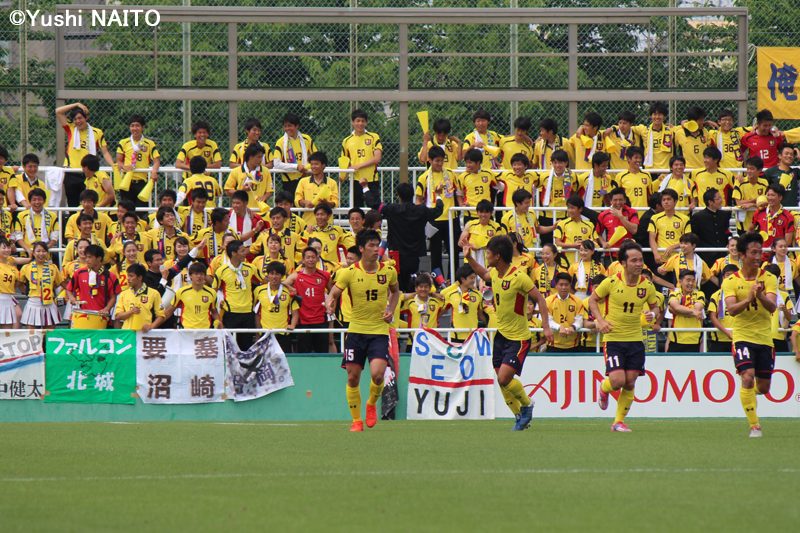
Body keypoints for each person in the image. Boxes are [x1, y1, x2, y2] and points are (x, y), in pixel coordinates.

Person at [464, 235, 553, 431]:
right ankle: (519, 416)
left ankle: (527, 405)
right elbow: (483, 274)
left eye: (488, 253)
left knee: (504, 378)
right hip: (501, 336)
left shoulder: (519, 277)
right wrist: (469, 257)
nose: (486, 256)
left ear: (498, 256)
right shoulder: (495, 273)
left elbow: (540, 299)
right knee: (501, 380)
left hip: (519, 338)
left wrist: (546, 327)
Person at [322, 229, 399, 431]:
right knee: (352, 377)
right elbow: (334, 292)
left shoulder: (388, 271)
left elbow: (395, 291)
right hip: (356, 331)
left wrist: (390, 309)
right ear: (362, 249)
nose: (376, 249)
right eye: (371, 246)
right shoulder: (349, 272)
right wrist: (330, 302)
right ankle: (356, 421)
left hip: (379, 331)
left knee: (378, 375)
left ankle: (371, 404)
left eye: (377, 245)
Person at [589, 240, 660, 432]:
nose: (639, 264)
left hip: (636, 339)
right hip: (614, 339)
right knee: (617, 381)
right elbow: (592, 300)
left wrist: (652, 314)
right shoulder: (611, 282)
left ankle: (618, 422)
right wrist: (600, 321)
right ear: (623, 263)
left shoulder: (647, 286)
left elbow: (655, 307)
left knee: (630, 382)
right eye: (634, 260)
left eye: (641, 260)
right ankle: (604, 388)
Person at [722, 232, 778, 438]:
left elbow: (772, 307)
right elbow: (731, 310)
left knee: (763, 387)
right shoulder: (730, 281)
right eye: (753, 252)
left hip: (764, 338)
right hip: (742, 337)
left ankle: (747, 396)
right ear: (742, 255)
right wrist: (748, 298)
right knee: (747, 376)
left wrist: (760, 294)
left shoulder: (769, 278)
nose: (758, 256)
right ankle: (755, 426)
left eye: (760, 252)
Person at [370, 182, 443, 292]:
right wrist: (438, 195)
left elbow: (374, 204)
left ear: (398, 195)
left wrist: (365, 187)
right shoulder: (421, 210)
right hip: (414, 254)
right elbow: (438, 210)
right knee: (411, 283)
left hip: (396, 254)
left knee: (397, 284)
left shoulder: (392, 209)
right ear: (413, 194)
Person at [56, 102, 115, 206]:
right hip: (72, 173)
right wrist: (76, 104)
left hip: (88, 173)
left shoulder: (97, 132)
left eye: (80, 118)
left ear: (86, 118)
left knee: (89, 203)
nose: (78, 121)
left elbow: (105, 152)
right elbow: (58, 111)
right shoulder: (71, 128)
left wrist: (113, 165)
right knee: (73, 205)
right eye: (75, 119)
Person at [415, 145, 459, 273]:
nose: (440, 163)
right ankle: (438, 281)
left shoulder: (450, 174)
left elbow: (458, 192)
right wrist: (421, 216)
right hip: (434, 220)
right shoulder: (424, 177)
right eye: (437, 161)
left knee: (454, 251)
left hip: (451, 218)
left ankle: (453, 279)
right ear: (430, 160)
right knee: (435, 253)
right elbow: (419, 199)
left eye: (442, 160)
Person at [283, 247, 332, 353]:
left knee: (322, 354)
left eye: (313, 257)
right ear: (303, 260)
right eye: (308, 257)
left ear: (317, 258)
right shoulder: (296, 276)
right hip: (303, 320)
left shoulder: (325, 275)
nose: (311, 260)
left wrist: (330, 306)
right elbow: (283, 284)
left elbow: (333, 293)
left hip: (320, 320)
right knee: (304, 354)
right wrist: (291, 288)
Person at [214, 240, 260, 350]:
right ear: (234, 253)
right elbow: (213, 292)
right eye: (242, 251)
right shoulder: (221, 271)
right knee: (230, 348)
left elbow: (265, 281)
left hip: (248, 313)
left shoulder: (251, 268)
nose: (245, 253)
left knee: (247, 348)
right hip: (231, 314)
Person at [66, 244, 120, 329]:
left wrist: (106, 309)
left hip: (101, 317)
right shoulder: (79, 273)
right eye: (86, 257)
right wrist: (72, 298)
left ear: (99, 258)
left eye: (90, 257)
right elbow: (69, 289)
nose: (87, 260)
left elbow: (113, 297)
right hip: (82, 316)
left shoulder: (110, 276)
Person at [116, 115, 161, 207]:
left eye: (137, 126)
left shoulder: (149, 143)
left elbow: (156, 161)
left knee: (141, 210)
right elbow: (118, 161)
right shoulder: (124, 142)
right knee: (126, 210)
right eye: (132, 126)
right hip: (127, 181)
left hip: (141, 182)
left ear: (143, 127)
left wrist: (154, 171)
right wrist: (124, 167)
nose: (135, 128)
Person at [254, 261, 299, 354]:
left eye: (277, 274)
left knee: (284, 360)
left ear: (282, 276)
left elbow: (295, 313)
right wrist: (258, 332)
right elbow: (257, 313)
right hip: (265, 333)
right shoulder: (259, 290)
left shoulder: (288, 292)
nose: (274, 277)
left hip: (283, 333)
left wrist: (293, 325)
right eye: (272, 273)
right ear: (268, 275)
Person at [341, 109, 383, 208]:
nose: (360, 123)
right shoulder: (347, 141)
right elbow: (344, 162)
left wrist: (358, 166)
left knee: (375, 209)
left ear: (366, 122)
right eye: (358, 121)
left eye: (363, 121)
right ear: (352, 122)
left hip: (371, 179)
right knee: (356, 210)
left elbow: (377, 158)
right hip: (355, 180)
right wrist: (342, 176)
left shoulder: (373, 137)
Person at [272, 113, 318, 199]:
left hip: (306, 179)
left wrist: (305, 168)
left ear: (297, 126)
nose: (287, 128)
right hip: (289, 182)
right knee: (292, 205)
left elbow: (317, 159)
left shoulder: (306, 139)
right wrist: (296, 167)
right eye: (285, 126)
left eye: (290, 126)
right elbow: (276, 164)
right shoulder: (280, 142)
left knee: (307, 204)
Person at [164, 262, 221, 329]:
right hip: (187, 331)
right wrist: (154, 325)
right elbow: (169, 312)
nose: (199, 276)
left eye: (201, 274)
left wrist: (219, 323)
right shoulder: (182, 292)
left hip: (205, 331)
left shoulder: (212, 293)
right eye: (196, 274)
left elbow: (214, 311)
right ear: (190, 276)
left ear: (205, 276)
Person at [19, 241, 63, 329]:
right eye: (38, 251)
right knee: (31, 332)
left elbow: (59, 283)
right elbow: (20, 283)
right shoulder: (26, 267)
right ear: (33, 253)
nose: (41, 254)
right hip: (33, 302)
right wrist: (26, 292)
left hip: (49, 303)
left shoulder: (53, 267)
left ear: (47, 253)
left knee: (49, 332)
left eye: (44, 251)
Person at [440, 264, 486, 343]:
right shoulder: (451, 295)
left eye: (474, 278)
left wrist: (488, 325)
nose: (473, 281)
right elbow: (440, 312)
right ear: (462, 279)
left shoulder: (478, 295)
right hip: (455, 336)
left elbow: (480, 315)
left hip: (473, 337)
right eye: (471, 278)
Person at [114, 263, 166, 332]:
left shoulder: (154, 293)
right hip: (128, 334)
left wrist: (151, 326)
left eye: (131, 276)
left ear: (140, 278)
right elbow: (118, 316)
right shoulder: (124, 294)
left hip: (144, 334)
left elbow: (161, 315)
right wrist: (131, 312)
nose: (128, 279)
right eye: (128, 276)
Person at [458, 200, 506, 270]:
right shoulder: (470, 224)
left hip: (489, 263)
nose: (483, 215)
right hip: (471, 260)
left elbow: (498, 245)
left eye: (486, 212)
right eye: (481, 212)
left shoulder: (496, 227)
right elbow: (460, 243)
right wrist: (468, 246)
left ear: (491, 213)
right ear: (477, 212)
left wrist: (479, 248)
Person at [666, 269, 705, 352]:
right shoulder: (674, 293)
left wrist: (678, 311)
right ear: (680, 281)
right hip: (676, 338)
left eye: (693, 281)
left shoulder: (700, 294)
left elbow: (698, 309)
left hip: (694, 339)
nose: (691, 283)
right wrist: (693, 312)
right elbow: (675, 306)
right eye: (688, 280)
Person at [294, 151, 339, 226]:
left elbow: (335, 202)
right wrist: (305, 202)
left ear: (323, 166)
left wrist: (326, 203)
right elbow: (297, 199)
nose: (313, 167)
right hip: (308, 223)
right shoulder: (303, 181)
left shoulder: (332, 182)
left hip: (327, 224)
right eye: (312, 164)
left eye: (316, 164)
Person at [535, 149, 572, 236]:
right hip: (547, 215)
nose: (557, 165)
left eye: (560, 162)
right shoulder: (544, 176)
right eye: (555, 163)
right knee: (546, 242)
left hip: (565, 214)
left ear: (566, 163)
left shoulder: (572, 176)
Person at [690, 188, 731, 266]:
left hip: (722, 254)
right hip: (705, 255)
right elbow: (695, 236)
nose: (721, 200)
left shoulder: (725, 215)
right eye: (718, 199)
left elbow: (727, 232)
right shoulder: (698, 217)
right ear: (710, 202)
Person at [648, 189, 691, 264]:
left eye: (669, 199)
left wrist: (673, 247)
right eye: (663, 200)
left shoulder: (684, 219)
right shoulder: (655, 218)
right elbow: (652, 239)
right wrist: (656, 254)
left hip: (679, 258)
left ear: (675, 201)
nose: (666, 202)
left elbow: (687, 239)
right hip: (662, 258)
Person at [12, 188, 59, 256]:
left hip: (45, 254)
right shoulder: (21, 215)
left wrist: (44, 249)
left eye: (39, 199)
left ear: (44, 201)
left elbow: (55, 236)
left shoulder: (52, 216)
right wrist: (28, 249)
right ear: (30, 201)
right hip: (26, 254)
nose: (37, 202)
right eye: (34, 200)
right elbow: (18, 236)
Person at [224, 143, 273, 209]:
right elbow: (227, 191)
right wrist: (241, 190)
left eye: (261, 157)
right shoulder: (236, 171)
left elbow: (270, 190)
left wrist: (264, 197)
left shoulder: (266, 171)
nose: (261, 160)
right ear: (250, 157)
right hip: (242, 210)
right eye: (258, 157)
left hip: (259, 210)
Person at [553, 195, 598, 266]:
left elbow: (595, 243)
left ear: (580, 209)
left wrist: (584, 244)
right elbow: (557, 243)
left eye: (572, 208)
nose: (570, 210)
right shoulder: (562, 224)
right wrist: (573, 245)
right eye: (568, 208)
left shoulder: (590, 225)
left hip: (585, 263)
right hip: (566, 262)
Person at [545, 272, 584, 352]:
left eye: (566, 285)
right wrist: (559, 327)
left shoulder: (578, 301)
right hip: (553, 345)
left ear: (570, 285)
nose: (564, 287)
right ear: (556, 285)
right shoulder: (548, 301)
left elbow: (579, 320)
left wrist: (573, 327)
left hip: (574, 345)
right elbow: (547, 320)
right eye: (561, 284)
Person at [631, 102, 674, 171]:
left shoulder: (671, 131)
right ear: (651, 116)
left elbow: (683, 128)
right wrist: (614, 128)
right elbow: (626, 127)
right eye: (655, 114)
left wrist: (684, 123)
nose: (657, 117)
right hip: (649, 170)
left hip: (666, 170)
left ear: (664, 116)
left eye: (660, 114)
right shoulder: (644, 130)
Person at [456, 148, 498, 220]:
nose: (468, 165)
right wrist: (461, 205)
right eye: (466, 163)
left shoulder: (488, 173)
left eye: (470, 163)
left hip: (486, 213)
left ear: (478, 162)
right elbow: (459, 194)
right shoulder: (462, 176)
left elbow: (500, 186)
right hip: (470, 213)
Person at [301, 202, 347, 267]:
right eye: (317, 214)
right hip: (315, 268)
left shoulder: (337, 230)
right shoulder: (309, 231)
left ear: (329, 216)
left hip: (333, 268)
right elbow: (300, 249)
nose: (319, 217)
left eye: (322, 214)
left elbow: (350, 243)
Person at [732, 156, 770, 234]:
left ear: (759, 170)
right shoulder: (739, 182)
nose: (749, 171)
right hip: (743, 225)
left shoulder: (764, 183)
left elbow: (766, 204)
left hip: (760, 224)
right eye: (748, 168)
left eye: (752, 169)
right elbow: (738, 202)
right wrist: (756, 200)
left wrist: (752, 205)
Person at [751, 184, 795, 248]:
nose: (769, 198)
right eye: (768, 195)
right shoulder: (759, 212)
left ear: (780, 197)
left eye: (773, 195)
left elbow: (788, 242)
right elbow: (750, 230)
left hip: (778, 252)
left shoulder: (788, 216)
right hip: (761, 252)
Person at [707, 264, 739, 353]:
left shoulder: (742, 295)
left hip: (739, 338)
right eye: (728, 275)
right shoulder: (716, 295)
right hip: (719, 340)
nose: (730, 278)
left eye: (733, 275)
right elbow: (713, 317)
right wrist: (727, 332)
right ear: (723, 277)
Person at [596, 187, 639, 252]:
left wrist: (621, 217)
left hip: (628, 252)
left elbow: (634, 230)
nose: (618, 202)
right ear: (611, 201)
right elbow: (597, 233)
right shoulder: (603, 215)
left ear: (625, 200)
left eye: (620, 200)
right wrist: (603, 243)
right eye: (615, 200)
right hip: (610, 252)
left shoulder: (632, 212)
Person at [762, 263, 793, 354]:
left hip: (778, 337)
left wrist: (784, 310)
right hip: (762, 337)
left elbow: (789, 318)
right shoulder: (758, 295)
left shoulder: (784, 295)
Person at [673, 106, 713, 170]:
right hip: (687, 170)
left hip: (703, 169)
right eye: (701, 120)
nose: (703, 122)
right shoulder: (680, 133)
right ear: (693, 121)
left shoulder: (705, 132)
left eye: (703, 120)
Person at [764, 144, 800, 212]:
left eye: (792, 154)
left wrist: (799, 155)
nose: (789, 156)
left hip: (792, 211)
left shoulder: (796, 172)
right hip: (775, 211)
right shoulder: (770, 172)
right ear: (780, 156)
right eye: (786, 153)